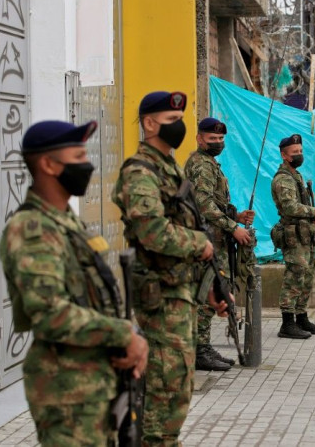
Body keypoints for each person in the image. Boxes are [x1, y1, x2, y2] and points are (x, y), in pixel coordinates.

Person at [0, 120, 149, 446]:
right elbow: (50, 313)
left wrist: (129, 339)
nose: (87, 164)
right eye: (78, 155)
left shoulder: (66, 221)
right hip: (67, 389)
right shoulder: (33, 228)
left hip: (95, 381)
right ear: (49, 164)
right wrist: (123, 333)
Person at [112, 91, 227, 445]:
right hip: (158, 298)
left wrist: (210, 284)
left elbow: (190, 226)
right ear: (149, 123)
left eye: (180, 120)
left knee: (176, 389)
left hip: (180, 293)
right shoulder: (139, 172)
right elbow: (153, 231)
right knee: (164, 390)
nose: (177, 127)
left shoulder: (171, 169)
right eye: (170, 121)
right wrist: (200, 245)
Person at [185, 117, 255, 371]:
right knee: (206, 293)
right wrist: (232, 227)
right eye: (212, 139)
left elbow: (214, 202)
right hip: (207, 239)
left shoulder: (210, 163)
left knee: (214, 290)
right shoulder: (201, 165)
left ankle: (203, 346)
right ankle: (199, 350)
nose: (217, 143)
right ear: (200, 138)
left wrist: (235, 217)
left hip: (215, 237)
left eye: (221, 139)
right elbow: (203, 205)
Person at [271, 134, 315, 338]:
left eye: (300, 152)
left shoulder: (296, 176)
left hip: (305, 234)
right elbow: (290, 207)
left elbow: (303, 204)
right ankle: (287, 323)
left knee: (306, 277)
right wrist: (313, 212)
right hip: (293, 235)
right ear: (284, 155)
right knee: (294, 277)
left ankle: (301, 318)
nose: (299, 155)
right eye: (295, 153)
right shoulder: (283, 179)